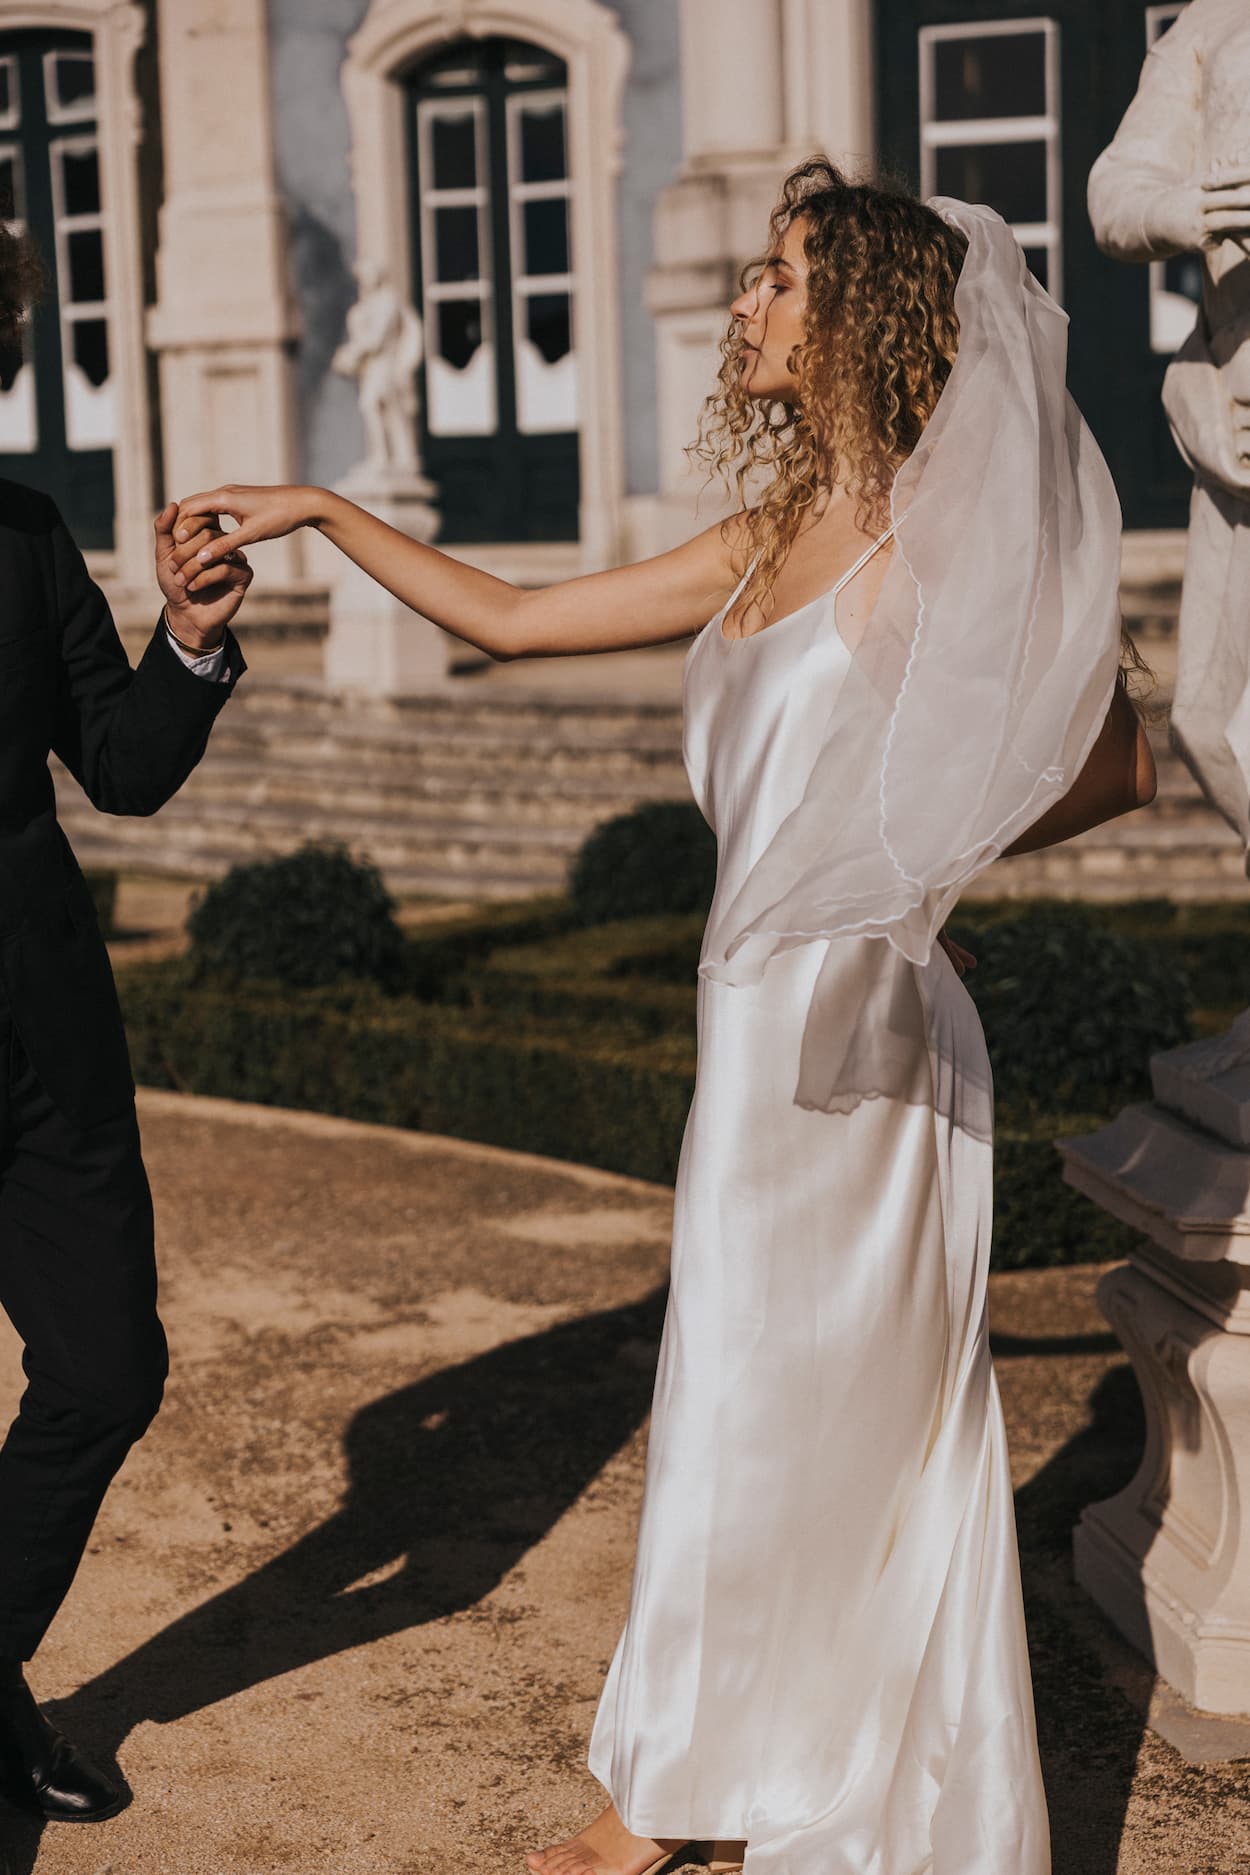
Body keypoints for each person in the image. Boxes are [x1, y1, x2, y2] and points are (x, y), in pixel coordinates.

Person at [172, 159, 1155, 1875]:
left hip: (858, 1048)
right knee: (748, 1392)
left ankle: (671, 1796)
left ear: (865, 314)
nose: (747, 303)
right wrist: (322, 511)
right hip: (748, 1031)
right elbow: (515, 614)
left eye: (781, 277)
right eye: (761, 274)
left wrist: (904, 883)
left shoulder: (940, 538)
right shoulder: (769, 535)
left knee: (780, 1407)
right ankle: (721, 1764)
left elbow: (1121, 757)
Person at [0, 220, 253, 1824]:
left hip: (44, 1047)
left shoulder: (26, 534)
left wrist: (191, 639)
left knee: (106, 1370)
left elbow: (126, 762)